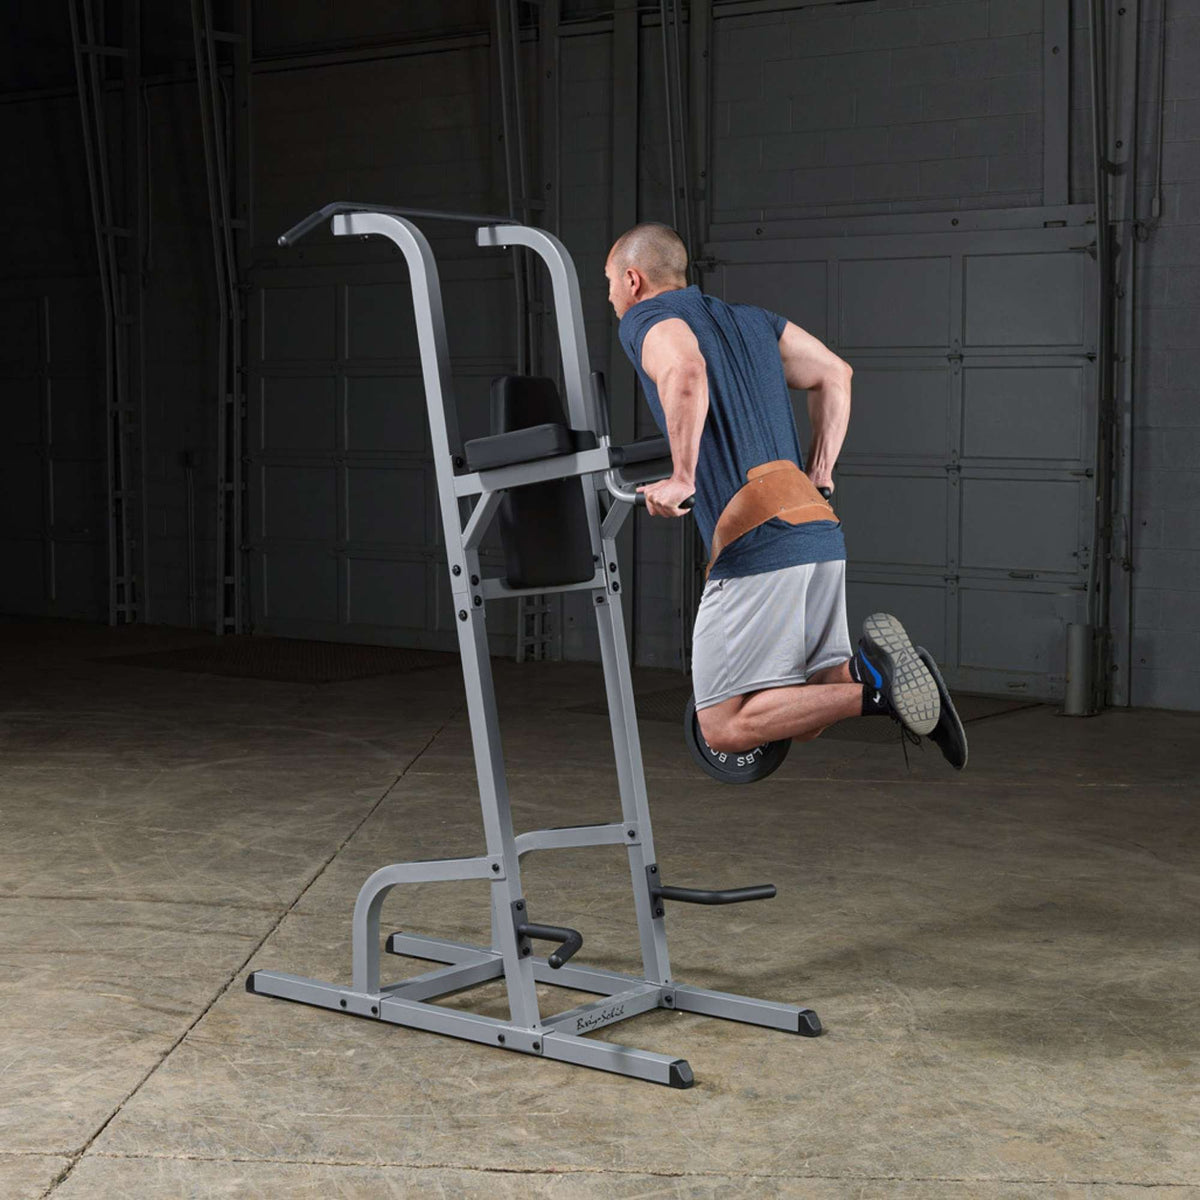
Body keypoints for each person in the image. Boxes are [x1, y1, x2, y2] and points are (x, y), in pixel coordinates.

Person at [606, 222, 967, 769]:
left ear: (634, 279)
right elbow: (834, 373)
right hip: (815, 526)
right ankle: (867, 676)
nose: (609, 294)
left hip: (757, 541)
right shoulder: (752, 322)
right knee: (814, 696)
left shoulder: (645, 319)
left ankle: (882, 690)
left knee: (725, 727)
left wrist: (683, 475)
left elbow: (684, 370)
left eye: (608, 281)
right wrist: (819, 471)